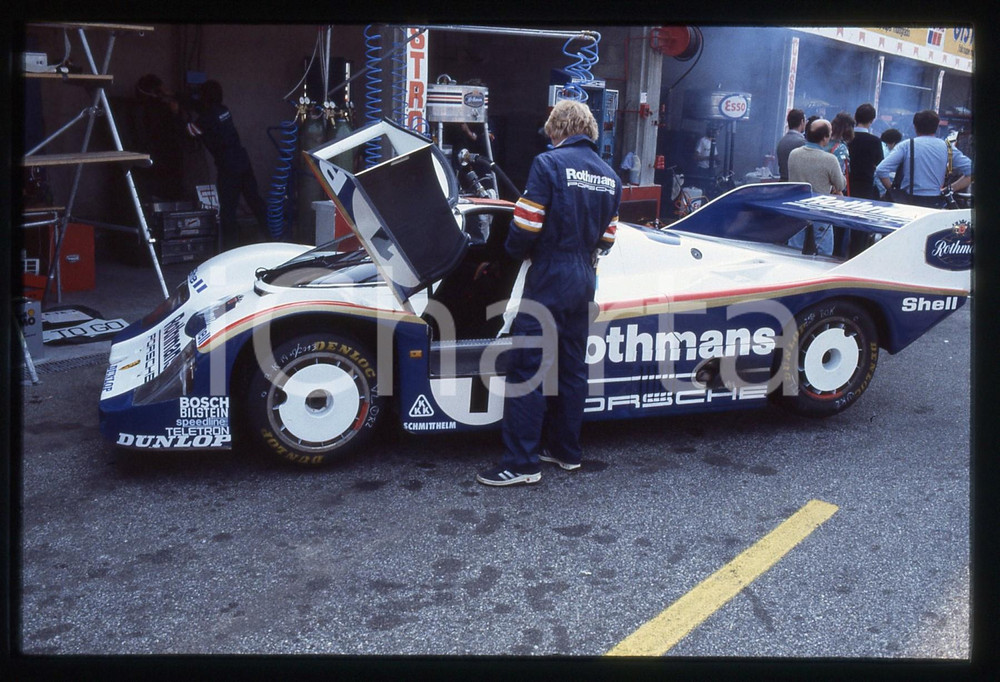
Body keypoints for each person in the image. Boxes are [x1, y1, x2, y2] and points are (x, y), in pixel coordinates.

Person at [476, 100, 621, 487]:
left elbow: (525, 224)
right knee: (572, 368)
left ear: (558, 128)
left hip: (550, 273)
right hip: (585, 277)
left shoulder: (548, 164)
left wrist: (507, 258)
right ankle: (565, 452)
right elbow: (608, 238)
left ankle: (521, 465)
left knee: (528, 367)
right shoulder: (610, 176)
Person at [181, 79, 269, 249]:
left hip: (228, 165)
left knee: (228, 211)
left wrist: (180, 113)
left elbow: (190, 131)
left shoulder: (206, 119)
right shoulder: (223, 110)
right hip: (243, 160)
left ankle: (230, 250)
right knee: (255, 202)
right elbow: (207, 112)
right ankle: (272, 237)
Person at [875, 109, 972, 208]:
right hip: (935, 202)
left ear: (915, 127)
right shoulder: (947, 147)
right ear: (937, 127)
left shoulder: (906, 145)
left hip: (908, 201)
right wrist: (950, 188)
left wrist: (893, 191)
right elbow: (971, 170)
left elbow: (881, 169)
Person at [787, 118, 845, 256]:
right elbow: (840, 185)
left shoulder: (794, 154)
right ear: (825, 138)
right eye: (829, 133)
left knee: (793, 250)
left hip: (796, 208)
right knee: (824, 251)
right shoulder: (830, 159)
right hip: (820, 210)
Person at [132, 74, 186, 202]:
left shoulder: (155, 108)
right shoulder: (152, 110)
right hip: (159, 158)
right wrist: (175, 113)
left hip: (163, 158)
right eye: (160, 91)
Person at [847, 103, 884, 200]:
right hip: (866, 185)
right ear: (872, 120)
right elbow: (880, 163)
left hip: (846, 184)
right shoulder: (875, 141)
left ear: (855, 117)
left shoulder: (846, 138)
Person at [776, 109, 806, 181]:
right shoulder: (802, 143)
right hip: (795, 185)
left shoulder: (782, 141)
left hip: (783, 183)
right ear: (802, 122)